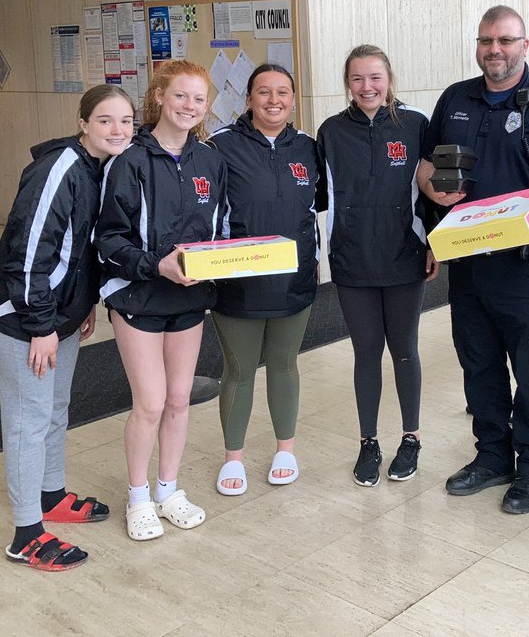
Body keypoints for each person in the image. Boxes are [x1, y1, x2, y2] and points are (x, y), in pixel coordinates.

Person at [417, 5, 529, 515]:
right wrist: (434, 192)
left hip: (525, 264)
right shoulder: (454, 99)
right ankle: (492, 457)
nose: (495, 50)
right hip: (469, 266)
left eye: (506, 40)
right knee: (479, 366)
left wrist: (523, 224)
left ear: (524, 45)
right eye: (487, 40)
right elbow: (426, 167)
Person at [0, 85, 134, 571]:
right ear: (83, 122)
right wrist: (40, 325)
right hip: (22, 318)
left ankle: (51, 497)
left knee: (54, 409)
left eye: (126, 121)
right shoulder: (59, 167)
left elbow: (80, 249)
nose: (117, 130)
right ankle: (26, 534)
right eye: (105, 120)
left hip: (59, 315)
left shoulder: (102, 168)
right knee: (28, 419)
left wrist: (81, 304)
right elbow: (28, 253)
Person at [96, 60, 227, 542]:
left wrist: (218, 264)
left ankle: (168, 490)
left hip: (189, 299)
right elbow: (108, 238)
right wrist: (156, 266)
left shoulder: (210, 160)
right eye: (180, 96)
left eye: (198, 99)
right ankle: (138, 498)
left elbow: (219, 229)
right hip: (139, 295)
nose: (189, 106)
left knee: (178, 399)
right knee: (149, 403)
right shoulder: (129, 159)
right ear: (158, 97)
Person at [318, 45, 438, 487]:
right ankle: (369, 442)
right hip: (352, 260)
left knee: (404, 349)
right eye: (357, 79)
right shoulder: (330, 131)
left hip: (405, 255)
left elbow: (431, 192)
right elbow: (317, 193)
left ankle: (412, 437)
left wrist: (435, 243)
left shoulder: (415, 126)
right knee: (366, 353)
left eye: (375, 77)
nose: (367, 87)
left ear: (389, 79)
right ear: (347, 84)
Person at [209, 63, 322, 495]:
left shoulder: (310, 148)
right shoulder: (219, 147)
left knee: (284, 365)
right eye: (263, 92)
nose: (273, 100)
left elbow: (319, 204)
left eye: (283, 92)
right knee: (237, 371)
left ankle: (285, 450)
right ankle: (233, 457)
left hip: (295, 282)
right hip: (238, 286)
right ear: (248, 99)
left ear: (294, 99)